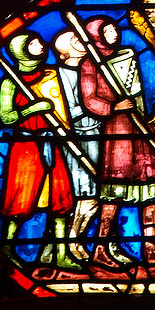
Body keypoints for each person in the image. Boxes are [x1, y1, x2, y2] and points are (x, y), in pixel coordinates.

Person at [79, 17, 155, 269]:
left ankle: (151, 249)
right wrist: (113, 106)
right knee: (114, 191)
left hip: (141, 127)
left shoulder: (129, 55)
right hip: (117, 133)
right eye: (106, 31)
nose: (114, 33)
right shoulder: (91, 64)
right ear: (96, 36)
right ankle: (100, 248)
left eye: (114, 29)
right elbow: (89, 100)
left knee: (152, 187)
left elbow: (147, 88)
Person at [0, 32, 80, 271]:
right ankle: (5, 250)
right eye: (32, 43)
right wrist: (33, 108)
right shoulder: (10, 81)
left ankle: (61, 253)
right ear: (20, 50)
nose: (40, 45)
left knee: (61, 199)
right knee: (18, 201)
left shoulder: (50, 75)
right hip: (26, 146)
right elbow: (6, 117)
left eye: (38, 41)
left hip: (53, 141)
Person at [52, 29, 102, 262]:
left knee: (96, 194)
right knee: (85, 193)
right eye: (75, 40)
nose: (83, 42)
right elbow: (68, 110)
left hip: (98, 134)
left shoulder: (92, 69)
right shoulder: (61, 74)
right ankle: (72, 241)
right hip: (78, 138)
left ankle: (76, 239)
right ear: (65, 51)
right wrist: (103, 107)